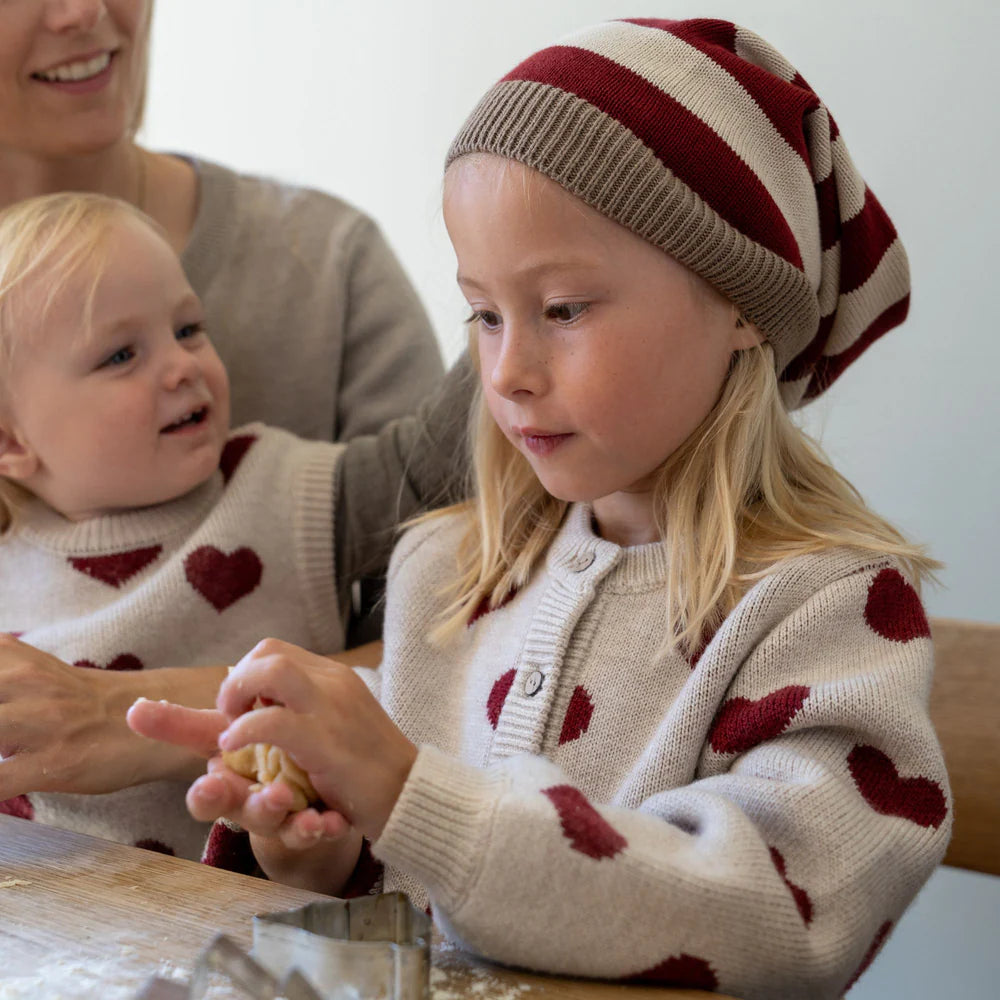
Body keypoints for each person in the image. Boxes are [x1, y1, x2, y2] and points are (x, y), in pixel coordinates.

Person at [129, 17, 952, 999]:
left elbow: (768, 916)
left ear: (737, 302)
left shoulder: (828, 616)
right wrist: (327, 848)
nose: (506, 372)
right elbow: (426, 901)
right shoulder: (452, 574)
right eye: (482, 312)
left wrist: (406, 793)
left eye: (562, 308)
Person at [0, 0, 461, 815]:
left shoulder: (328, 270)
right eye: (118, 353)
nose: (81, 11)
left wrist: (140, 717)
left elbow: (472, 661)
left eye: (190, 328)